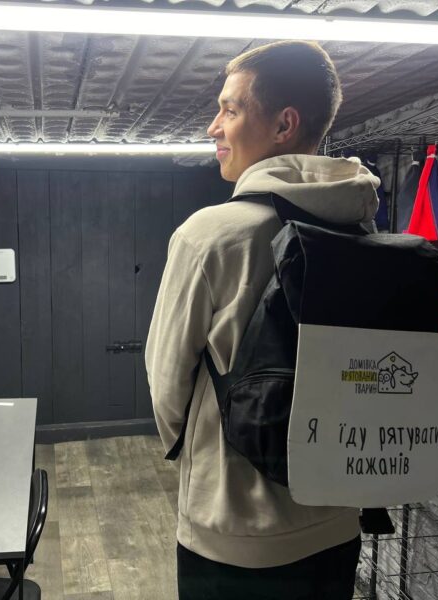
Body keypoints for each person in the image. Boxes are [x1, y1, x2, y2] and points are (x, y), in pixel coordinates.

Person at [145, 40, 381, 599]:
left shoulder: (209, 236)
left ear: (283, 125)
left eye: (230, 110)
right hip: (338, 518)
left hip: (235, 531)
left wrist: (201, 462)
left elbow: (166, 384)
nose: (213, 127)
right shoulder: (365, 230)